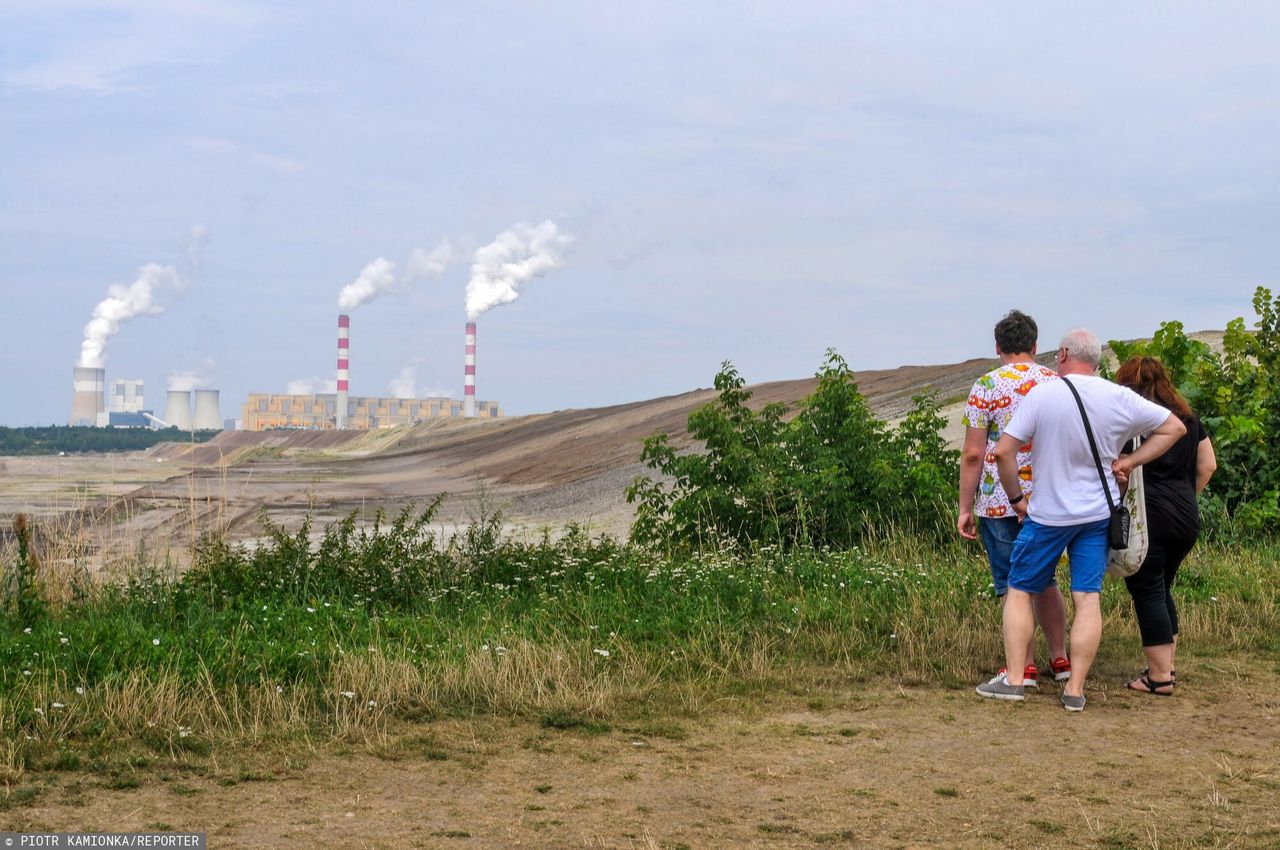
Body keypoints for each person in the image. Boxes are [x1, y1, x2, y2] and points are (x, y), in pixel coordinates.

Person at [976, 328, 1187, 712]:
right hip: (1096, 514)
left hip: (1049, 513)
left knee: (1020, 588)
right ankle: (1074, 689)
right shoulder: (1118, 396)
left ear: (1063, 354)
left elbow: (1004, 452)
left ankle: (1014, 679)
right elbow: (1175, 427)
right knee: (1087, 598)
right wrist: (1129, 461)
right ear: (1096, 359)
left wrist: (1017, 500)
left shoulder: (1043, 394)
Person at [957, 310, 1068, 687]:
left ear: (998, 347)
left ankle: (1024, 666)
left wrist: (964, 507)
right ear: (1035, 345)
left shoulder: (985, 386)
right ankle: (1061, 658)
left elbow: (974, 453)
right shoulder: (1055, 382)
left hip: (997, 498)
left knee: (1010, 584)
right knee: (1047, 579)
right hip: (1048, 498)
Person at [1114, 356, 1217, 696]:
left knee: (1147, 591)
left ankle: (1159, 678)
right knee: (1161, 588)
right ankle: (1166, 666)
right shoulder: (1188, 418)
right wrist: (1186, 496)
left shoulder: (1134, 422)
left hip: (1149, 514)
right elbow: (1208, 465)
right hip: (1186, 513)